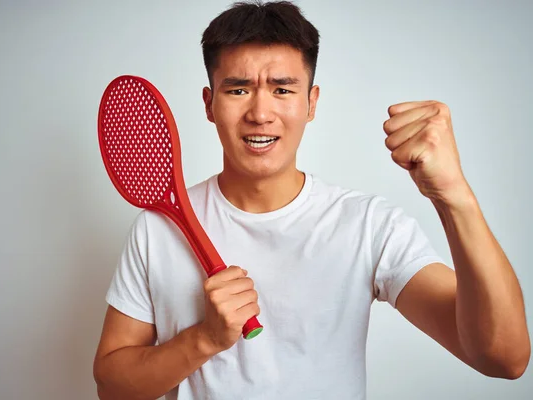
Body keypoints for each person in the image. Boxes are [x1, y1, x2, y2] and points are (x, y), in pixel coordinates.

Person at [92, 1, 530, 399]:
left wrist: (454, 196)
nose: (261, 113)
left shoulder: (367, 225)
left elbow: (504, 358)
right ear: (209, 104)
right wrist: (204, 338)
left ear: (311, 102)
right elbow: (112, 387)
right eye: (238, 89)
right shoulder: (156, 229)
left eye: (283, 89)